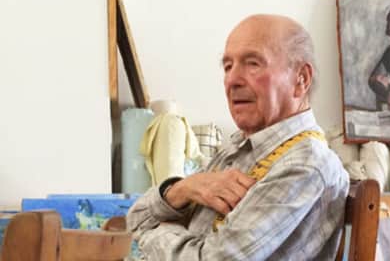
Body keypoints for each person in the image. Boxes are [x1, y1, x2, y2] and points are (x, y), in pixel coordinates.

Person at [127, 14, 349, 260]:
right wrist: (182, 188)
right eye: (228, 66)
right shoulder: (240, 148)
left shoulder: (305, 163)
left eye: (253, 63)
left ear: (301, 79)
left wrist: (155, 232)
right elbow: (134, 219)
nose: (232, 80)